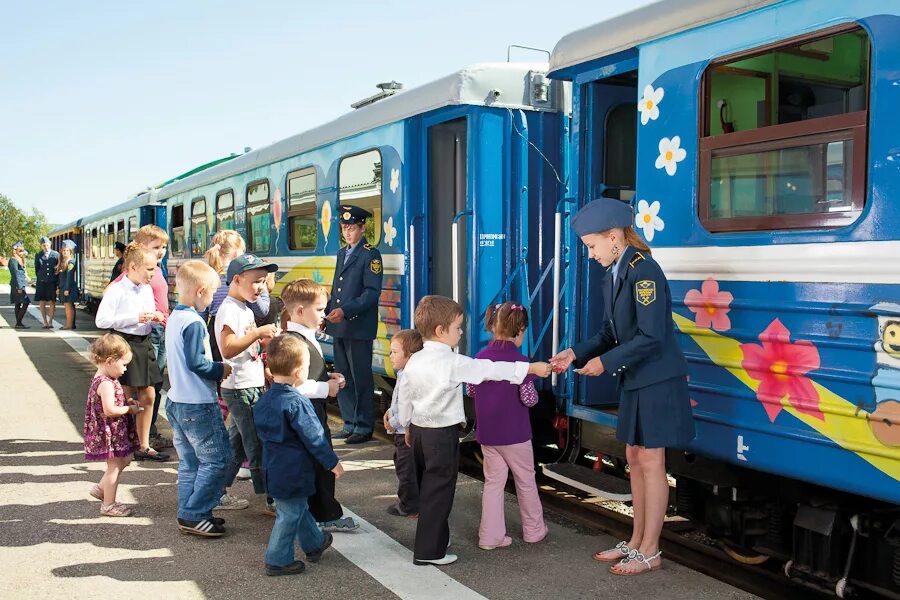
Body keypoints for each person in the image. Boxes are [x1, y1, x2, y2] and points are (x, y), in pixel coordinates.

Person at [549, 197, 695, 576]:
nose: (591, 254)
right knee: (633, 458)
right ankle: (635, 542)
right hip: (636, 378)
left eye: (593, 246)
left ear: (614, 237)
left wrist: (604, 363)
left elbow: (651, 336)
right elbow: (609, 333)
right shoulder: (614, 273)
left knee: (651, 462)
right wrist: (575, 354)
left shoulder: (643, 271)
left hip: (657, 380)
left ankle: (651, 550)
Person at [396, 295, 552, 566]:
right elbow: (489, 370)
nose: (460, 333)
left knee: (430, 490)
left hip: (419, 431)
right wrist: (530, 368)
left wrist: (407, 425)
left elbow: (405, 396)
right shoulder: (452, 362)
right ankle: (429, 551)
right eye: (457, 328)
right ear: (440, 331)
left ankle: (438, 540)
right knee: (440, 493)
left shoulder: (415, 360)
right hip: (441, 435)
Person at [254, 334, 343, 576]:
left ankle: (314, 543)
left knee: (296, 507)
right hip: (294, 469)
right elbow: (314, 437)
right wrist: (331, 462)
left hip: (273, 468)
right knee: (290, 513)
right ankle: (277, 559)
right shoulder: (298, 403)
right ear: (298, 372)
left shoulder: (265, 400)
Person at [467, 302, 548, 550]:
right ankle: (534, 531)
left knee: (493, 483)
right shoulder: (522, 363)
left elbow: (470, 390)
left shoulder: (479, 358)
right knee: (525, 480)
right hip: (516, 435)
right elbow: (529, 399)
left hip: (488, 434)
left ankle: (490, 537)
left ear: (492, 326)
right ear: (520, 329)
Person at [281, 279, 359, 532]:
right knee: (321, 463)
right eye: (319, 309)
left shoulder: (301, 336)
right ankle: (325, 516)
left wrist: (328, 378)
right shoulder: (295, 342)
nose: (324, 314)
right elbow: (293, 385)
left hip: (312, 412)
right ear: (300, 311)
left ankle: (320, 512)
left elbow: (307, 375)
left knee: (317, 463)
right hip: (307, 414)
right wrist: (326, 388)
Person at [165, 260, 233, 536]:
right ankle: (194, 513)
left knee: (190, 462)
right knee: (219, 460)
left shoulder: (174, 317)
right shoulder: (194, 322)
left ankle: (190, 511)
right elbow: (197, 363)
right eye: (212, 294)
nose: (213, 299)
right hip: (197, 403)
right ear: (201, 290)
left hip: (177, 400)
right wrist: (221, 369)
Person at [214, 254, 279, 512]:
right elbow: (227, 349)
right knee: (257, 444)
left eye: (263, 282)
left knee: (238, 446)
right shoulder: (230, 308)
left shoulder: (242, 307)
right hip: (241, 388)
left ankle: (216, 492)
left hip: (248, 384)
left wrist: (260, 343)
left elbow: (242, 345)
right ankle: (272, 499)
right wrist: (257, 333)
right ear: (237, 280)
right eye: (255, 282)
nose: (261, 287)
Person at [95, 243, 168, 462]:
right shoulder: (117, 289)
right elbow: (102, 320)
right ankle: (123, 442)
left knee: (150, 393)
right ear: (134, 267)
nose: (153, 274)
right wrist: (134, 318)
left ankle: (143, 444)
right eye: (149, 269)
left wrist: (154, 316)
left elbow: (144, 314)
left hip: (143, 341)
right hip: (123, 342)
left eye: (154, 269)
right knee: (124, 395)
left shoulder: (145, 288)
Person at [325, 204, 383, 444]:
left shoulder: (371, 254)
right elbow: (336, 290)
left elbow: (371, 293)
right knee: (342, 377)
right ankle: (349, 422)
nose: (348, 233)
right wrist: (327, 314)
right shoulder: (342, 253)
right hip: (339, 325)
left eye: (352, 228)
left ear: (363, 227)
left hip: (358, 327)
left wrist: (345, 311)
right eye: (344, 228)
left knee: (360, 379)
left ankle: (363, 426)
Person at [111, 225, 171, 450]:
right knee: (142, 387)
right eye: (156, 247)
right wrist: (137, 316)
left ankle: (143, 433)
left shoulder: (157, 268)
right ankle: (139, 435)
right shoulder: (133, 272)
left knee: (151, 386)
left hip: (155, 328)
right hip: (146, 331)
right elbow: (115, 290)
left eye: (164, 247)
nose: (161, 251)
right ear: (141, 247)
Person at [83, 333, 143, 517]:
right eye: (124, 365)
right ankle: (108, 504)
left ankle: (101, 488)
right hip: (109, 431)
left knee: (125, 459)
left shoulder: (107, 379)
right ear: (110, 360)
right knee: (114, 466)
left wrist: (127, 402)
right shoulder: (106, 383)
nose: (125, 369)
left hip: (114, 430)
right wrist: (129, 410)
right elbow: (109, 410)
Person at [383, 329, 423, 518]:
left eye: (395, 352)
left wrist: (392, 421)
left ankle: (410, 506)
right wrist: (389, 412)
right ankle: (409, 501)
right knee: (403, 464)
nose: (391, 355)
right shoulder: (402, 373)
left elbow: (408, 407)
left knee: (406, 470)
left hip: (404, 431)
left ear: (411, 355)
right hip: (400, 429)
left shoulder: (408, 376)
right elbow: (398, 401)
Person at [34, 236, 59, 329]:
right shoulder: (38, 255)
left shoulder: (56, 255)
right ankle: (44, 321)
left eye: (47, 245)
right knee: (42, 301)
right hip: (42, 281)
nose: (46, 247)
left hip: (52, 281)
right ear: (41, 246)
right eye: (44, 245)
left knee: (52, 301)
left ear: (50, 244)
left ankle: (51, 321)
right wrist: (42, 277)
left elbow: (57, 268)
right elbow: (37, 269)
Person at [8, 241, 30, 329]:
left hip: (19, 284)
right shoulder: (13, 260)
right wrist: (19, 287)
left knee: (18, 303)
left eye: (23, 250)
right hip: (17, 285)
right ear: (15, 251)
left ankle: (19, 323)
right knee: (26, 302)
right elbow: (16, 274)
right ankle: (19, 322)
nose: (22, 252)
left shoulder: (18, 259)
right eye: (20, 251)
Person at [57, 239, 79, 330]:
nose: (65, 252)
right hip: (64, 287)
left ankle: (69, 325)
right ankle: (71, 324)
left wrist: (66, 289)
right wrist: (59, 287)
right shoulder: (64, 262)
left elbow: (69, 276)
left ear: (70, 252)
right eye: (63, 250)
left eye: (67, 250)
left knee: (68, 306)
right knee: (69, 306)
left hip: (68, 287)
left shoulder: (71, 262)